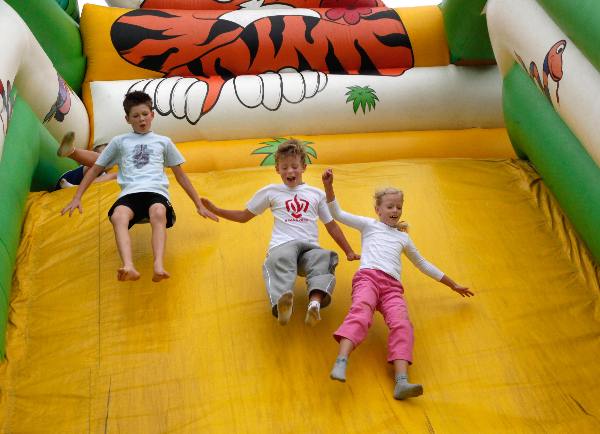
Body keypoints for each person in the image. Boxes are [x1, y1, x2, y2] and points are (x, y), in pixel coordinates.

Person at [322, 168, 474, 400]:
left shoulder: (403, 238)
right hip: (369, 278)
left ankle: (401, 382)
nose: (395, 210)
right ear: (378, 209)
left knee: (402, 324)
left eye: (398, 207)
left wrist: (452, 284)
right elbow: (338, 213)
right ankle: (341, 361)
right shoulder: (369, 225)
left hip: (392, 287)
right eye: (390, 206)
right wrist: (329, 187)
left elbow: (423, 263)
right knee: (361, 312)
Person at [61, 91, 218, 282]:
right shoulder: (120, 142)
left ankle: (158, 265)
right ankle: (128, 266)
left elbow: (181, 176)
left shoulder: (163, 142)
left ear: (152, 115)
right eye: (135, 116)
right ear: (127, 119)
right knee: (118, 216)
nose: (141, 119)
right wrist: (77, 196)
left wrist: (198, 204)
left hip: (155, 192)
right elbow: (95, 170)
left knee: (158, 211)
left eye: (145, 114)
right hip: (130, 193)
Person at [202, 139, 359, 326]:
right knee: (281, 259)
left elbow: (331, 225)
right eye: (284, 167)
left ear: (304, 167)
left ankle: (314, 304)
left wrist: (348, 250)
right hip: (283, 244)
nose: (289, 171)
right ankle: (282, 306)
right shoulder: (271, 192)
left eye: (294, 166)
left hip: (309, 248)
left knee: (324, 258)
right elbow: (244, 216)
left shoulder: (316, 194)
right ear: (277, 169)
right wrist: (217, 210)